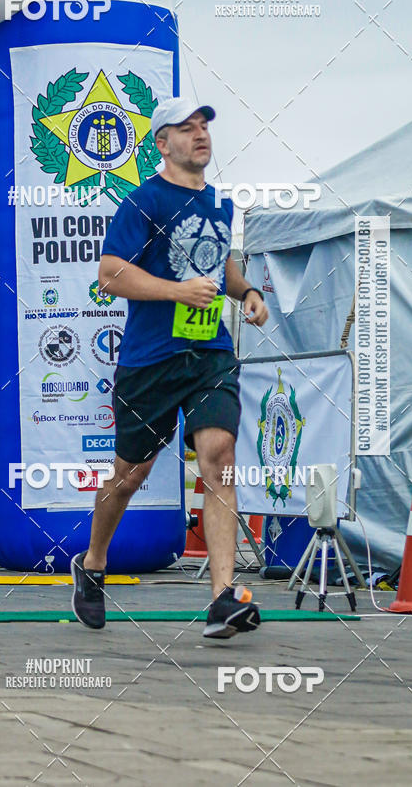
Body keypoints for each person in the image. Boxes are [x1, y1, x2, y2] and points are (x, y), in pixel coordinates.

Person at [71, 97, 269, 639]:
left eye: (205, 125)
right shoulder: (143, 203)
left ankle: (223, 597)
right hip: (150, 360)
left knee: (219, 457)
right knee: (129, 477)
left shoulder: (220, 206)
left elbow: (216, 261)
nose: (200, 134)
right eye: (186, 128)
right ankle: (92, 563)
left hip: (208, 355)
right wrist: (177, 291)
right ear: (163, 142)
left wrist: (246, 290)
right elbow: (110, 275)